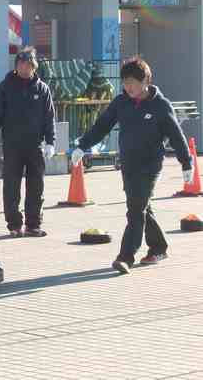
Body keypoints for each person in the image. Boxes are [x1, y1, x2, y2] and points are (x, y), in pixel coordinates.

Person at [71, 57, 193, 275]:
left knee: (135, 210)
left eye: (132, 83)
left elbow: (176, 135)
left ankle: (126, 257)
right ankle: (159, 247)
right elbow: (102, 126)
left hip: (150, 165)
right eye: (125, 83)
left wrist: (186, 163)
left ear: (145, 81)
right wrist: (82, 146)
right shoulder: (121, 102)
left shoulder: (160, 105)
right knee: (141, 207)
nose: (128, 87)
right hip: (128, 164)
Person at [0, 47, 56, 238]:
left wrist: (51, 142)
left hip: (35, 145)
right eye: (21, 65)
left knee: (36, 186)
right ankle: (14, 225)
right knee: (11, 186)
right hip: (12, 144)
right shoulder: (6, 86)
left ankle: (33, 224)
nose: (24, 68)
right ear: (16, 66)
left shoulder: (42, 88)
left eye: (28, 65)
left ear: (34, 67)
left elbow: (49, 117)